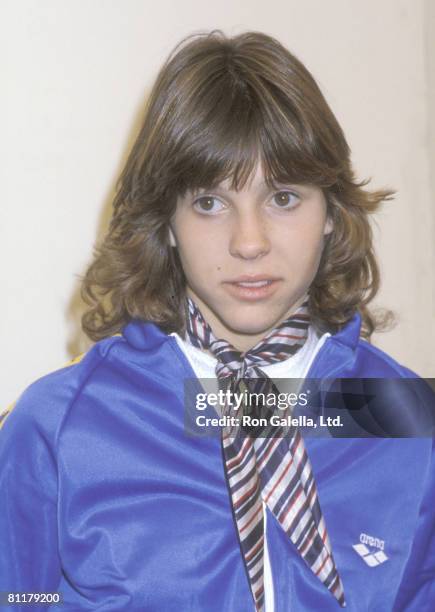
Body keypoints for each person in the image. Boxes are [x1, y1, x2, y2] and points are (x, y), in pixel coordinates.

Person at [0, 30, 434, 612]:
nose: (249, 242)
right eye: (209, 203)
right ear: (167, 224)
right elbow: (18, 597)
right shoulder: (58, 427)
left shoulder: (407, 419)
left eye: (283, 197)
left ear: (331, 211)